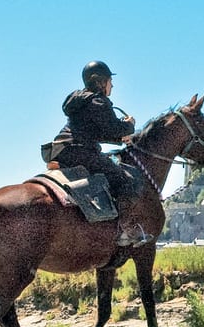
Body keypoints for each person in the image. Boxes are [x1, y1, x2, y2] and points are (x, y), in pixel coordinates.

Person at [44, 60, 152, 246]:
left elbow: (96, 131)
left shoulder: (81, 101)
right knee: (126, 179)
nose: (113, 85)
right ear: (101, 81)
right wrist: (129, 125)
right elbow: (113, 128)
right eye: (110, 80)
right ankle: (127, 230)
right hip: (80, 151)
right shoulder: (98, 101)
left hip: (61, 150)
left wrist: (120, 138)